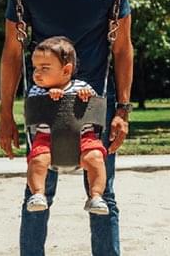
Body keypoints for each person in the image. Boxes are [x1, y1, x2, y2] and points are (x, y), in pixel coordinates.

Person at [0, 0, 133, 256]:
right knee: (38, 190)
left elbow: (122, 49)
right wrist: (5, 114)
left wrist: (123, 110)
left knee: (102, 191)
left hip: (93, 98)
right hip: (44, 98)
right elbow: (12, 51)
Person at [26, 36, 109, 215]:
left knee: (96, 158)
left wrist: (86, 96)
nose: (37, 73)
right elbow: (33, 106)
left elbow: (93, 107)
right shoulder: (37, 90)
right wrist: (48, 97)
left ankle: (95, 196)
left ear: (66, 70)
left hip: (83, 138)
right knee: (37, 160)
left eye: (45, 68)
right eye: (35, 68)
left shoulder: (81, 86)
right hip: (46, 139)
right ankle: (38, 194)